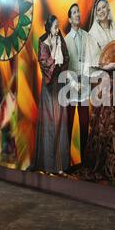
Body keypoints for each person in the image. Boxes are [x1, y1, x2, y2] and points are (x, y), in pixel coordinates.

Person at [82, 0, 115, 185]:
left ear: (108, 9)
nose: (102, 11)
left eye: (104, 7)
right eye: (99, 8)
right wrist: (105, 66)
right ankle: (105, 164)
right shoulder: (92, 34)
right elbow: (91, 62)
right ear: (96, 12)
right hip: (103, 82)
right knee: (105, 121)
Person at [28, 15, 70, 176]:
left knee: (61, 122)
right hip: (48, 87)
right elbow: (44, 63)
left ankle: (60, 165)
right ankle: (48, 165)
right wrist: (55, 62)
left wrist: (60, 62)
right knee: (49, 124)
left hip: (59, 85)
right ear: (49, 28)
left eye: (58, 26)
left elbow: (66, 58)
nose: (57, 29)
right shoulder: (43, 44)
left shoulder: (61, 41)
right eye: (54, 27)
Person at [64, 3, 96, 164]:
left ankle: (85, 162)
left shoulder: (87, 36)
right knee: (69, 124)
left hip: (84, 85)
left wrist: (86, 77)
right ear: (70, 19)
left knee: (85, 124)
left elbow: (91, 58)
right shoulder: (66, 40)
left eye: (78, 11)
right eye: (74, 13)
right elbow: (65, 66)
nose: (77, 14)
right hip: (70, 88)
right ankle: (65, 162)